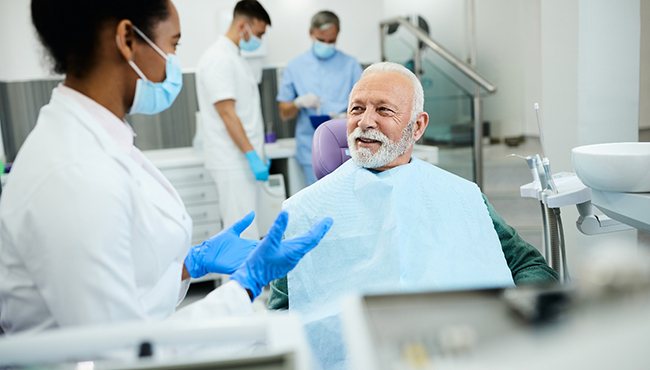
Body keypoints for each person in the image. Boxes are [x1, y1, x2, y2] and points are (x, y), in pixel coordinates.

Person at [0, 0, 332, 335]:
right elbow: (120, 350)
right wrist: (246, 286)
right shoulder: (73, 173)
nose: (172, 64)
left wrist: (188, 265)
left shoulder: (95, 138)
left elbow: (127, 283)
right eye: (172, 45)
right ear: (127, 39)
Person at [267, 62, 558, 369]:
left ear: (417, 126)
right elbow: (281, 311)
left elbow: (529, 265)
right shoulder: (303, 210)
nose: (365, 121)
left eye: (383, 110)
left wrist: (515, 321)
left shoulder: (462, 196)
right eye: (356, 109)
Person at [196, 0, 271, 240]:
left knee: (247, 231)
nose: (259, 39)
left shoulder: (234, 57)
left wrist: (256, 155)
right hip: (233, 161)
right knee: (242, 235)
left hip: (242, 161)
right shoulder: (218, 59)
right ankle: (240, 279)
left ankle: (246, 278)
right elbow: (227, 113)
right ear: (243, 26)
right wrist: (251, 155)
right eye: (258, 33)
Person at [277, 10, 362, 185]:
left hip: (346, 146)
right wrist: (298, 103)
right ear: (311, 33)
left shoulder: (351, 65)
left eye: (332, 41)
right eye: (322, 40)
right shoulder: (295, 66)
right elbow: (284, 113)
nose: (327, 44)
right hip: (310, 149)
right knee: (318, 204)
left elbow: (367, 103)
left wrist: (347, 116)